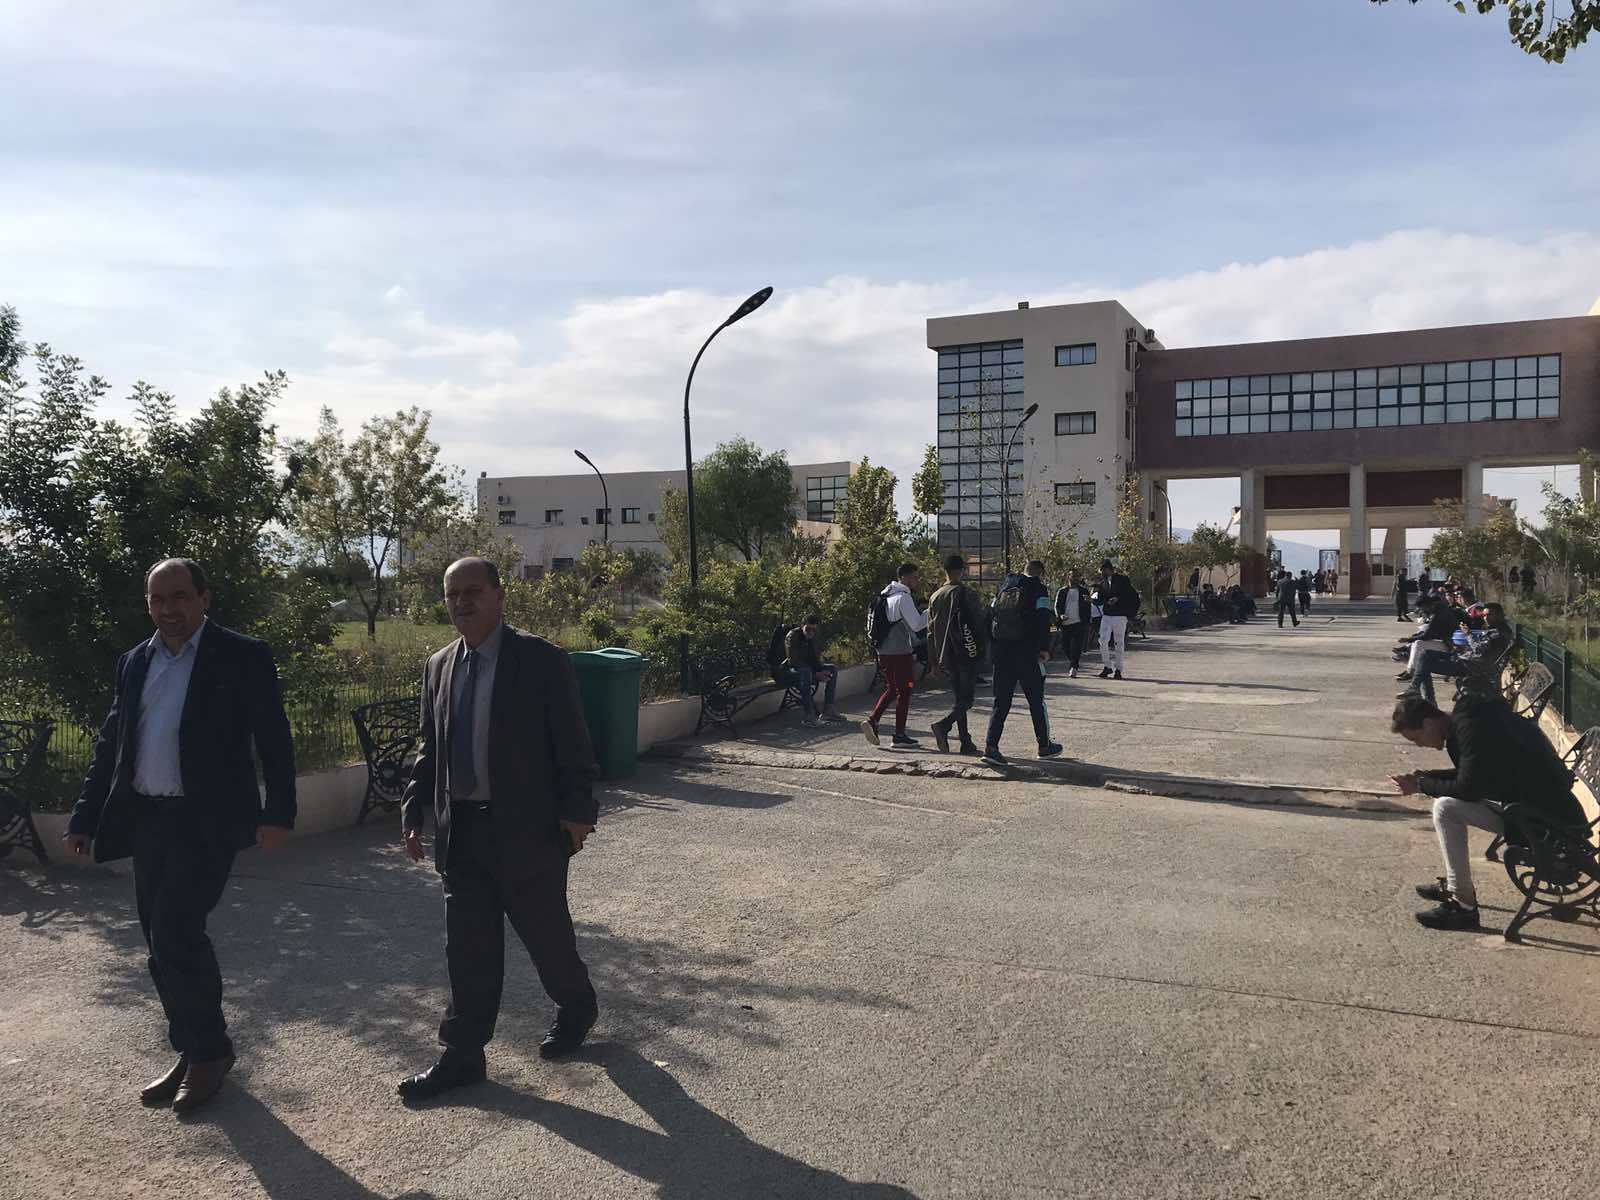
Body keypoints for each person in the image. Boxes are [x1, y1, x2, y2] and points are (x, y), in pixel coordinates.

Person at [63, 558, 297, 1115]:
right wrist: (84, 816)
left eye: (180, 597)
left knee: (175, 931)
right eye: (158, 599)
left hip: (206, 822)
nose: (168, 609)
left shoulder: (240, 655)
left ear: (203, 598)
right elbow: (111, 744)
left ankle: (211, 1053)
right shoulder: (135, 662)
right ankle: (192, 1046)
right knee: (157, 940)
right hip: (149, 820)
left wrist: (279, 813)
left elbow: (273, 738)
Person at [397, 557, 600, 1101]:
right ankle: (462, 1054)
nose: (462, 602)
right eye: (452, 594)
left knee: (547, 938)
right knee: (468, 951)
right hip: (462, 833)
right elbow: (431, 747)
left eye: (473, 591)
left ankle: (576, 1005)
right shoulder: (438, 665)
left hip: (527, 831)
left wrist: (579, 811)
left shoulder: (541, 660)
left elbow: (573, 741)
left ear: (499, 595)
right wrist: (414, 808)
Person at [1390, 694, 1587, 930]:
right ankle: (1456, 887)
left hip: (1546, 824)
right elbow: (1474, 774)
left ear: (1428, 724)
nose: (1419, 745)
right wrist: (1424, 777)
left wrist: (1422, 785)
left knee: (1446, 808)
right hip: (1540, 810)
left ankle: (1462, 905)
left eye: (1416, 738)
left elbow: (1469, 788)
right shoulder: (1469, 722)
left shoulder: (1470, 729)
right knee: (1447, 805)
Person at [982, 560, 1062, 767]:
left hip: (1002, 654)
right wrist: (1044, 648)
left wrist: (994, 647)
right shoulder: (1039, 589)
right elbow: (1043, 618)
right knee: (1036, 701)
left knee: (1001, 702)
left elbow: (989, 617)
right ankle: (1044, 745)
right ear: (1040, 573)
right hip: (1027, 654)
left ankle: (991, 747)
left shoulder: (1004, 586)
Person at [926, 554, 988, 755]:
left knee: (960, 699)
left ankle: (965, 742)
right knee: (967, 700)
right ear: (961, 571)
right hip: (965, 652)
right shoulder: (966, 593)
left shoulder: (935, 596)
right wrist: (982, 648)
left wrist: (933, 662)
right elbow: (978, 622)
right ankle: (943, 725)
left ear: (945, 570)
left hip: (945, 655)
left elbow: (930, 632)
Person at [863, 562, 926, 749]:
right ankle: (899, 735)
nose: (916, 580)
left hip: (883, 651)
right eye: (914, 577)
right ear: (904, 578)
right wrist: (932, 611)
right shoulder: (903, 597)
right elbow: (917, 624)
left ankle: (873, 720)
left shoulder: (885, 596)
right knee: (904, 691)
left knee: (892, 689)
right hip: (899, 652)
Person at [1401, 603, 1512, 703]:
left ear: (1499, 615)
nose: (1485, 618)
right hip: (1465, 659)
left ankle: (1424, 697)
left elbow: (1479, 649)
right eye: (1484, 615)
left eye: (1489, 615)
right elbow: (1481, 649)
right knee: (1425, 654)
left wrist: (1468, 634)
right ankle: (1416, 689)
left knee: (1424, 664)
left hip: (1471, 667)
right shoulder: (1494, 630)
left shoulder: (1498, 633)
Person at [778, 616, 844, 727]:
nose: (811, 632)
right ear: (802, 626)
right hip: (787, 671)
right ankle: (808, 716)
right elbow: (793, 661)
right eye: (808, 629)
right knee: (806, 673)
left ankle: (828, 709)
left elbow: (814, 659)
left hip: (805, 670)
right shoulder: (792, 636)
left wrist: (820, 671)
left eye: (814, 629)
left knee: (832, 669)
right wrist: (815, 674)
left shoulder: (811, 638)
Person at [1095, 558, 1140, 680]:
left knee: (1118, 642)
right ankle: (1107, 666)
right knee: (1102, 640)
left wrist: (1118, 599)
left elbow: (1130, 595)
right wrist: (1091, 600)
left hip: (1120, 616)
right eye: (1101, 571)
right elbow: (1101, 600)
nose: (1102, 573)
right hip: (1107, 616)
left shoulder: (1122, 580)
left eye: (1104, 570)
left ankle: (1118, 669)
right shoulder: (1102, 584)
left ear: (1110, 570)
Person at [1054, 570, 1090, 678]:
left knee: (1077, 646)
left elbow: (1088, 607)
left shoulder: (1084, 591)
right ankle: (1074, 662)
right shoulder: (1062, 591)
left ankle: (1073, 667)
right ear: (1068, 577)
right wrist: (1060, 615)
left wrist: (1087, 621)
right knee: (1065, 645)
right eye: (1074, 576)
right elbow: (1057, 606)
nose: (1076, 578)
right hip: (1065, 623)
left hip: (1079, 622)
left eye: (1078, 576)